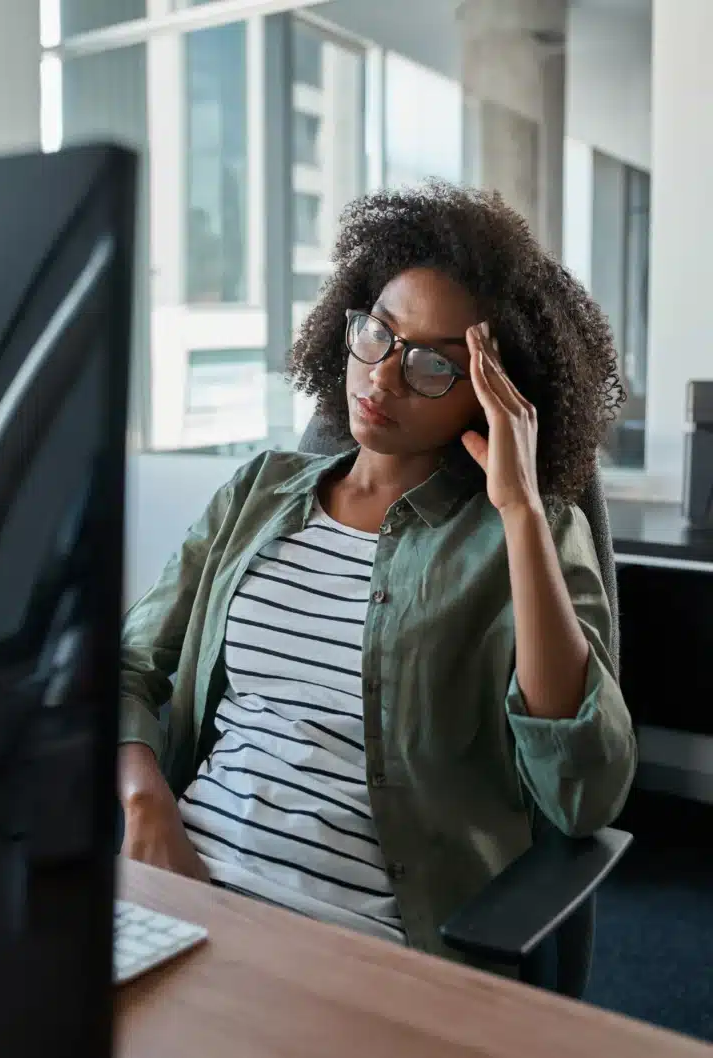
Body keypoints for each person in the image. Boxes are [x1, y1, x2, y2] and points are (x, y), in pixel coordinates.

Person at [119, 183, 637, 957]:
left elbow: (582, 791)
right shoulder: (257, 495)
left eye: (435, 366)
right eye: (379, 335)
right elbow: (126, 668)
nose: (385, 378)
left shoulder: (526, 534)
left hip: (356, 941)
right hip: (176, 884)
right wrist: (145, 803)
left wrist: (522, 512)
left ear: (492, 397)